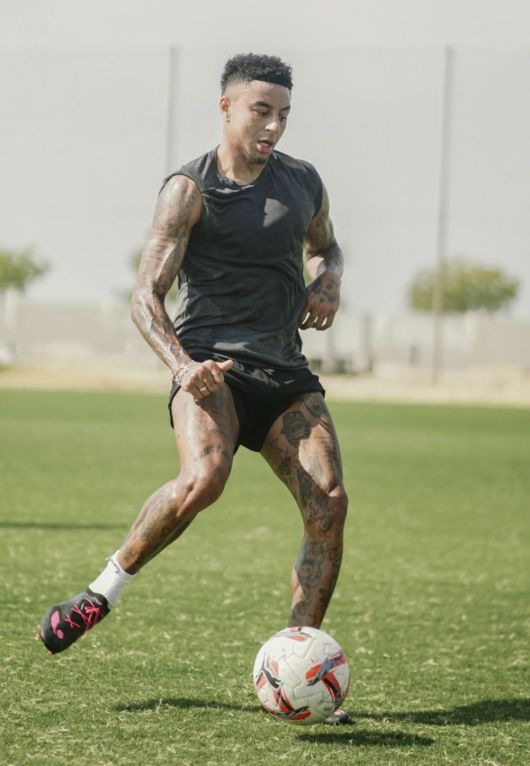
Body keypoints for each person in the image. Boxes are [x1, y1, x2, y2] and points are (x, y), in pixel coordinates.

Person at [37, 53, 350, 724]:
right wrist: (182, 367)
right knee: (204, 478)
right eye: (261, 111)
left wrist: (328, 278)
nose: (274, 126)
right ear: (227, 108)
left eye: (284, 114)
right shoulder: (190, 188)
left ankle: (295, 663)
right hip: (211, 367)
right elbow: (145, 297)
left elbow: (328, 246)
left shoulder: (303, 181)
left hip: (284, 374)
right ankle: (100, 593)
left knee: (329, 502)